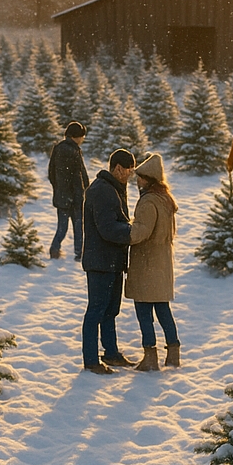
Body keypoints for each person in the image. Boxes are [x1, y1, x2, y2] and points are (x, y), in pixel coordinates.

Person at [81, 147, 137, 374]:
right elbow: (107, 228)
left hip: (111, 260)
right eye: (128, 171)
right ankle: (91, 360)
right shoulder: (103, 191)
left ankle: (111, 353)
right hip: (100, 261)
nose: (130, 176)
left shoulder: (113, 188)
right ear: (117, 168)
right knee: (96, 309)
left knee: (110, 309)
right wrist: (133, 232)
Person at [126, 153, 180, 371]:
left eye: (140, 177)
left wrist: (124, 231)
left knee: (143, 310)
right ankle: (173, 352)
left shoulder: (148, 201)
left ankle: (150, 357)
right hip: (161, 263)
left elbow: (141, 232)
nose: (136, 181)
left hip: (147, 263)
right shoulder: (165, 199)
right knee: (163, 309)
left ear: (148, 179)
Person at [47, 120, 90, 261]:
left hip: (62, 197)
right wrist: (83, 189)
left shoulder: (58, 148)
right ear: (75, 136)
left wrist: (59, 189)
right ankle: (80, 253)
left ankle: (54, 249)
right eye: (82, 136)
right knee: (78, 227)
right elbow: (78, 174)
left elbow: (51, 173)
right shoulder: (73, 151)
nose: (83, 139)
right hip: (75, 197)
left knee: (62, 227)